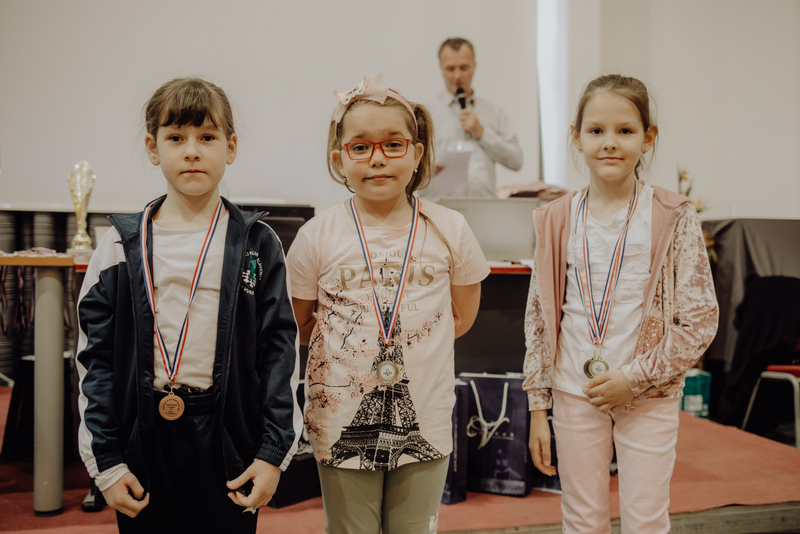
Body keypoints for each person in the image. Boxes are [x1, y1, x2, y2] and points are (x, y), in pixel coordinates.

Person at [76, 77, 302, 533]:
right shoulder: (120, 245)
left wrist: (272, 452)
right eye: (176, 138)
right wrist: (107, 462)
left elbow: (279, 353)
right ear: (153, 148)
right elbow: (94, 360)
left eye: (207, 137)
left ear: (230, 147)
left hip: (229, 437)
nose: (192, 151)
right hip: (144, 437)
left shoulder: (257, 243)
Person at [286, 72, 491, 533]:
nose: (377, 158)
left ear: (417, 153)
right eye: (360, 147)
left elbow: (460, 317)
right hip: (340, 416)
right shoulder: (316, 236)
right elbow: (301, 325)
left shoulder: (450, 228)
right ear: (339, 159)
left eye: (393, 145)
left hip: (425, 414)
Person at [523, 74, 719, 533]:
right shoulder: (555, 218)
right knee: (581, 520)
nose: (610, 142)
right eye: (596, 130)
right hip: (573, 390)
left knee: (645, 520)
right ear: (577, 136)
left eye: (625, 130)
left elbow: (699, 321)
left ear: (648, 138)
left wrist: (634, 379)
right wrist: (537, 407)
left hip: (646, 394)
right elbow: (538, 318)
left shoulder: (672, 215)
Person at [426, 37, 523, 198]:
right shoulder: (426, 112)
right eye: (450, 69)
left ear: (474, 67)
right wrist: (424, 169)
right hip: (440, 206)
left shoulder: (494, 112)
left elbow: (516, 161)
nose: (457, 76)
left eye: (464, 67)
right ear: (441, 69)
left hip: (483, 207)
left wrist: (482, 134)